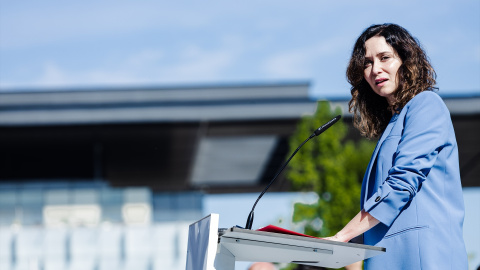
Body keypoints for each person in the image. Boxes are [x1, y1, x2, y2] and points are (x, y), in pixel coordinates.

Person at [324, 23, 468, 269]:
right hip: (386, 258)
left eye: (385, 58)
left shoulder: (426, 104)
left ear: (406, 60)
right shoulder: (394, 123)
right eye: (367, 62)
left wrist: (342, 235)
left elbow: (401, 184)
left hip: (422, 256)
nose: (375, 69)